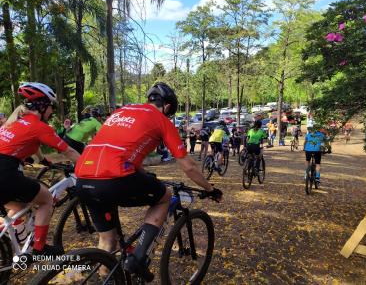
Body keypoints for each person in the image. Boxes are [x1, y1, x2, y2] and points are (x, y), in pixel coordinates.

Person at [74, 82, 222, 281]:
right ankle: (138, 258)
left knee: (108, 242)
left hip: (83, 178)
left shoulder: (120, 112)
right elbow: (189, 166)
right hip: (115, 178)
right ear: (167, 107)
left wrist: (142, 174)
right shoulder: (161, 119)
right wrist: (210, 189)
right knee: (164, 197)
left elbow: (121, 151)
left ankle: (108, 278)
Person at [0, 82, 80, 255]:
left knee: (22, 205)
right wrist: (90, 166)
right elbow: (69, 151)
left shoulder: (15, 123)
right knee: (46, 200)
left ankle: (12, 240)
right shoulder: (39, 126)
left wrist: (44, 160)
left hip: (5, 173)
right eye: (51, 107)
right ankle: (39, 249)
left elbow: (32, 145)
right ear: (42, 106)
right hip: (4, 172)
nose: (52, 112)